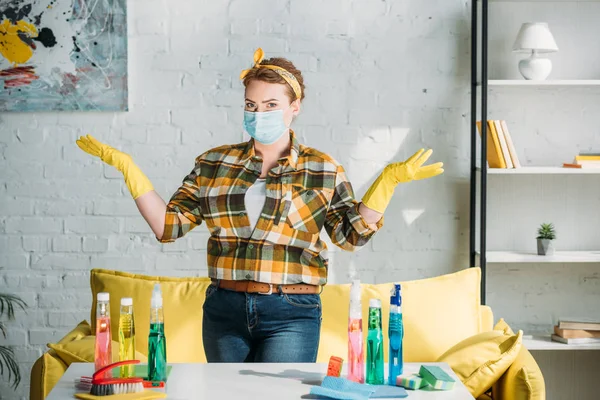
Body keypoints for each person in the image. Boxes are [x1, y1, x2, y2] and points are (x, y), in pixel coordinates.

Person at [76, 48, 443, 363]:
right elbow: (167, 227)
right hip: (224, 309)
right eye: (251, 105)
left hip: (292, 312)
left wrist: (387, 183)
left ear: (295, 107)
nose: (259, 113)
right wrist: (129, 169)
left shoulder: (322, 168)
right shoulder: (214, 163)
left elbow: (349, 236)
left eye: (271, 105)